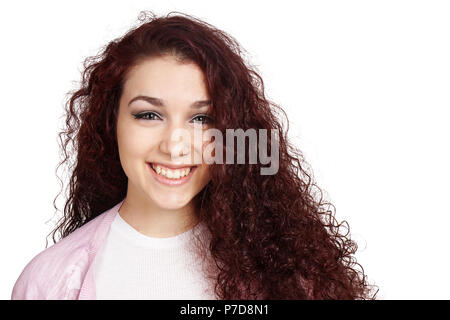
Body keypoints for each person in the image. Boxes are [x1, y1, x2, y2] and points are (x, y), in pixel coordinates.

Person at [11, 11, 377, 300]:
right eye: (149, 115)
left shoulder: (284, 272)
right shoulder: (49, 282)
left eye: (202, 119)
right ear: (112, 122)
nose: (175, 145)